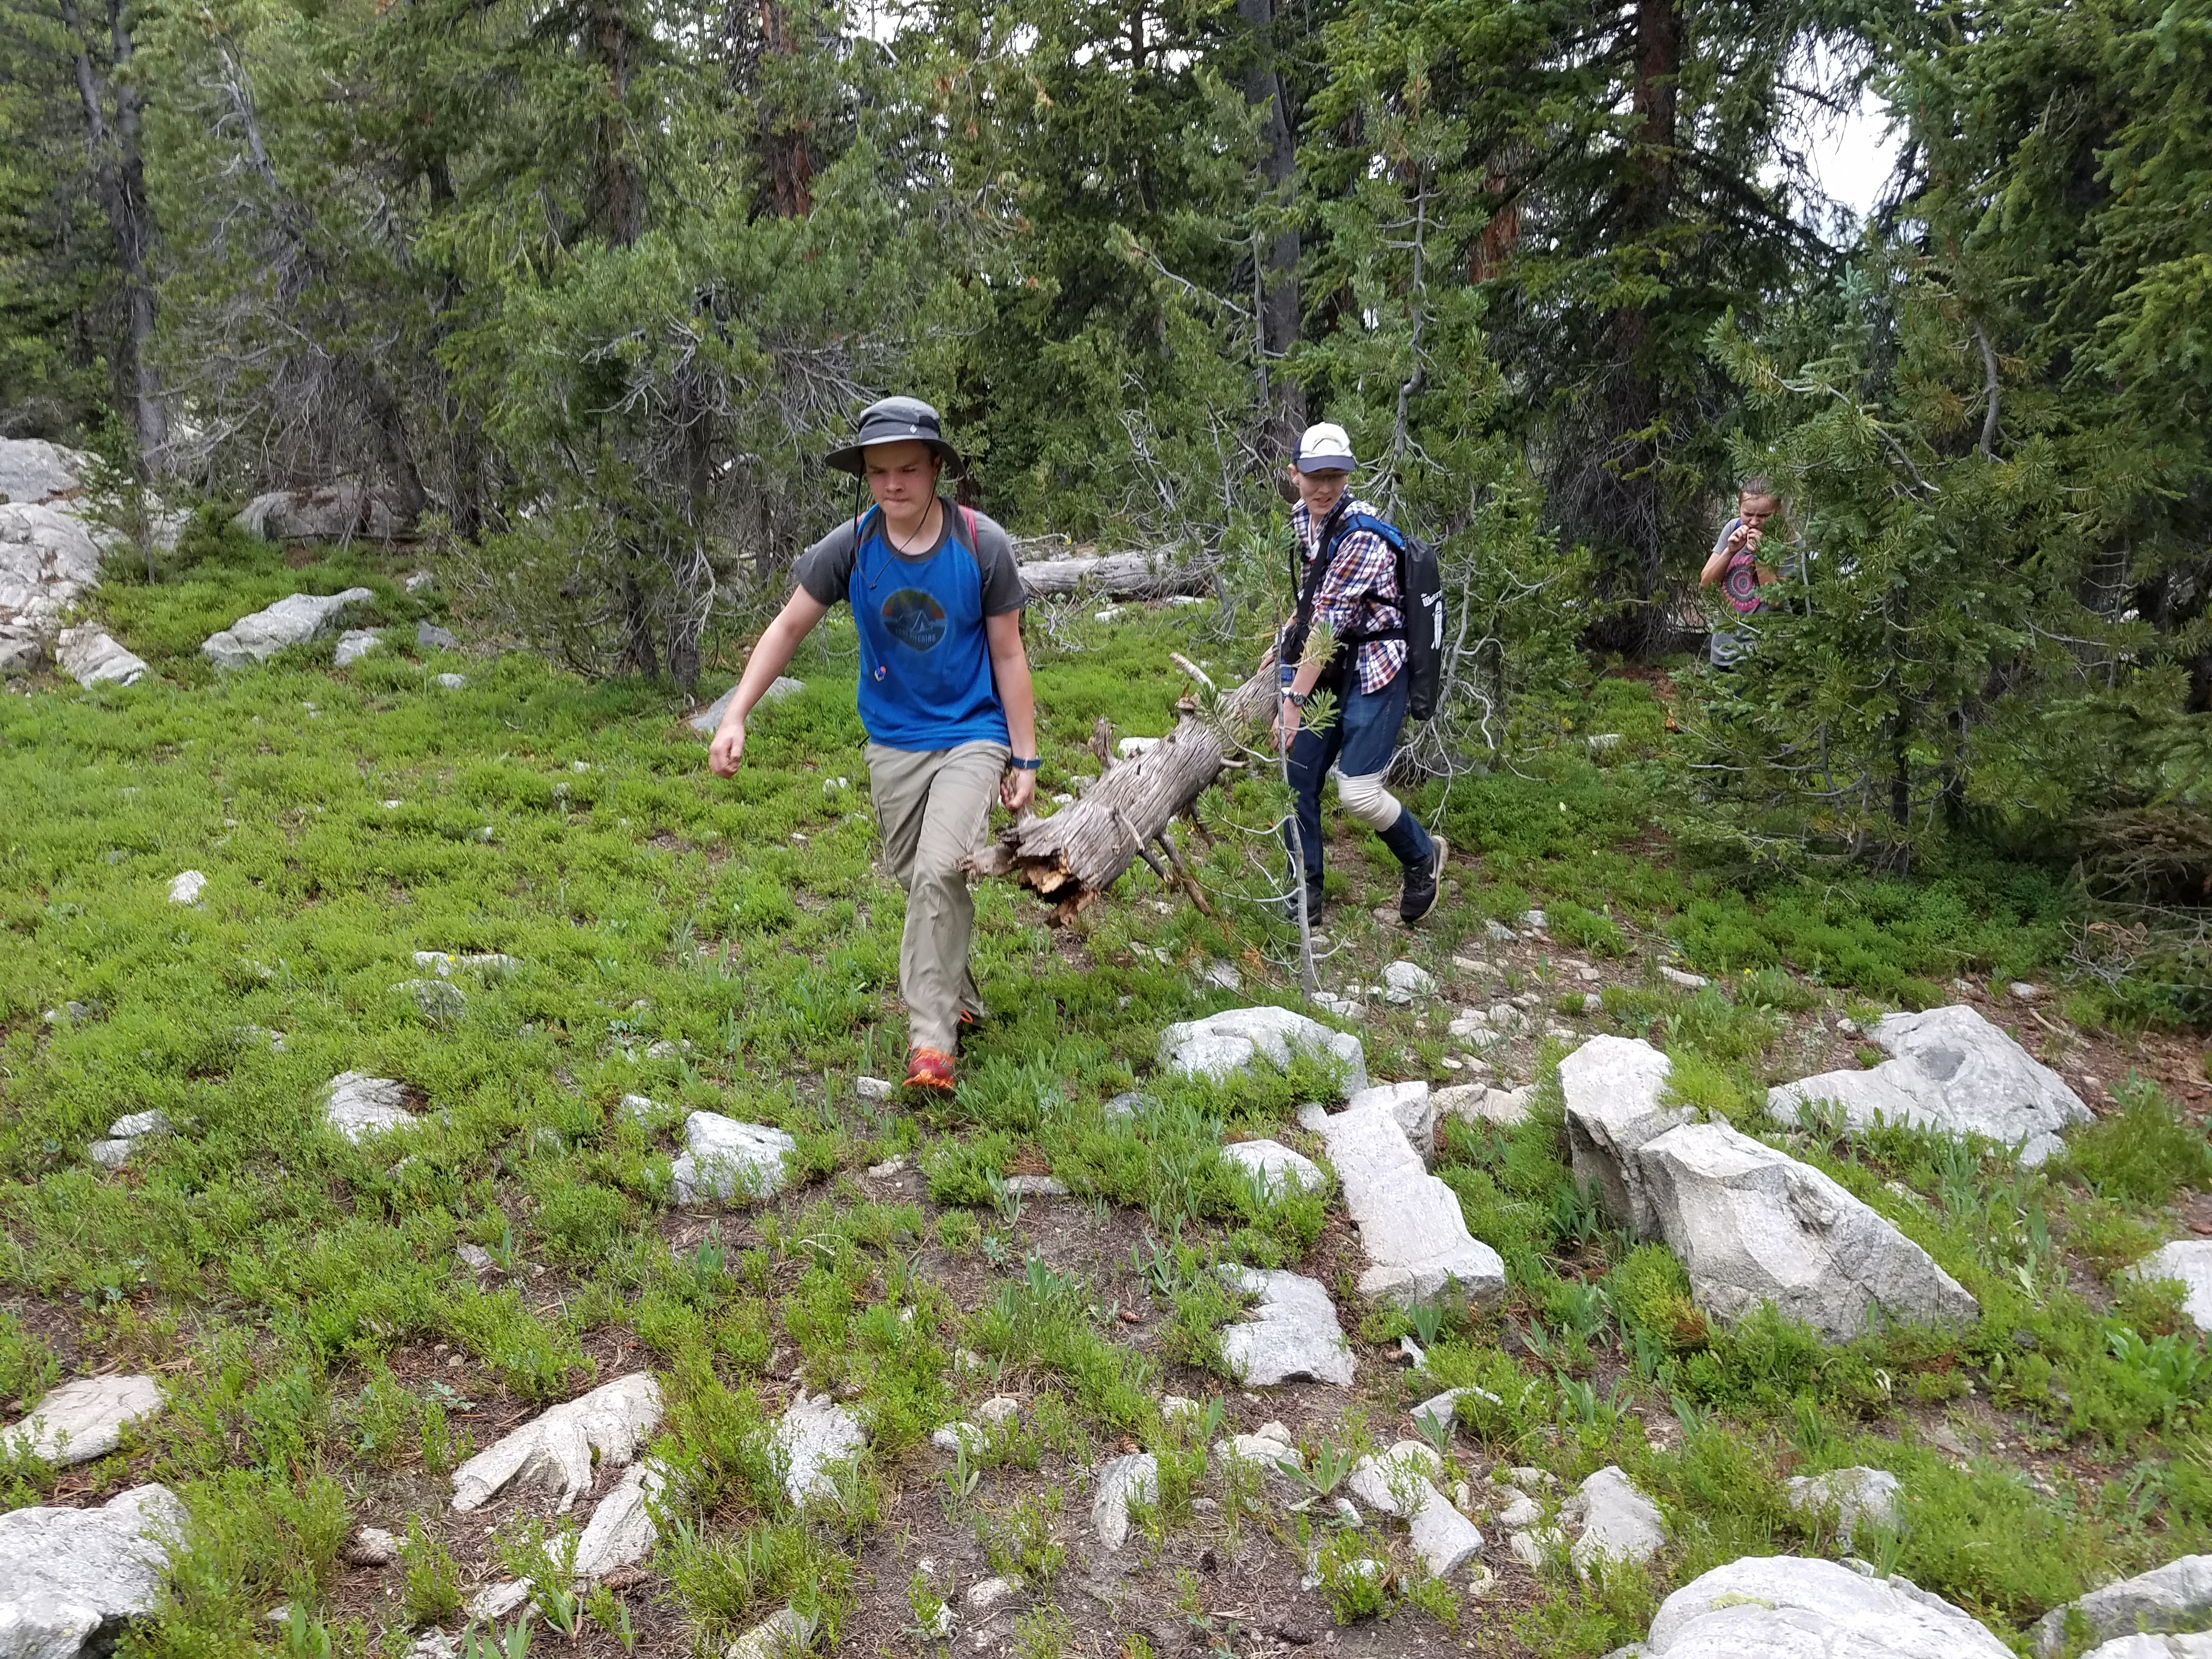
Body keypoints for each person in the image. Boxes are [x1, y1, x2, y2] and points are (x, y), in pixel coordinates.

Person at [706, 397, 1038, 1092]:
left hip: (973, 734)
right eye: (879, 471)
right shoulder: (851, 547)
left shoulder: (982, 544)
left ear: (936, 469)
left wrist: (1026, 757)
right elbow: (787, 628)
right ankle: (962, 996)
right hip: (892, 741)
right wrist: (736, 713)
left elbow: (1009, 655)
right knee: (918, 876)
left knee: (942, 869)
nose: (894, 484)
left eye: (909, 470)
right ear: (864, 474)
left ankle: (931, 1044)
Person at [1274, 422, 1448, 927]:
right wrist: (1283, 641)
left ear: (1348, 475)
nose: (1325, 487)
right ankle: (1304, 895)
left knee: (1358, 793)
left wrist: (1291, 703)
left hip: (1376, 668)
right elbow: (1313, 600)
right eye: (1314, 476)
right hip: (1331, 666)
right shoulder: (1303, 519)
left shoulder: (1363, 537)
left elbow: (1328, 625)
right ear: (1295, 475)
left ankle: (1422, 858)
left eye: (1336, 476)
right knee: (1297, 778)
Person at [1699, 479, 1785, 668]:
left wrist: (1761, 555)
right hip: (1724, 651)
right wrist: (1730, 551)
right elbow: (1706, 584)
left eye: (1764, 516)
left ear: (1777, 511)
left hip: (1765, 654)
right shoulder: (1732, 528)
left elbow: (1776, 600)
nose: (1754, 522)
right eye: (1748, 514)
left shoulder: (1789, 540)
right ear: (1739, 507)